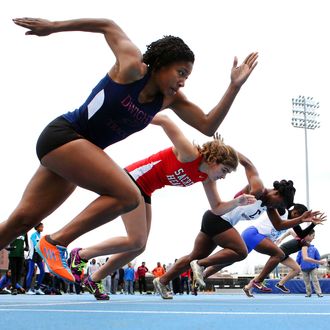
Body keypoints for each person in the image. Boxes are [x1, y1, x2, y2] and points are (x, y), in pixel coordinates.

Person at [0, 17, 258, 283]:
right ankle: (56, 242)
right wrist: (54, 27)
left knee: (21, 220)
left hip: (76, 154)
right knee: (128, 194)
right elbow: (108, 26)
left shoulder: (170, 99)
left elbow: (207, 125)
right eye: (181, 73)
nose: (183, 82)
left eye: (187, 77)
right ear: (161, 63)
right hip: (64, 135)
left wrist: (234, 87)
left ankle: (53, 242)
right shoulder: (132, 67)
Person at [68, 114, 256, 300]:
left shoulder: (205, 177)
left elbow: (217, 208)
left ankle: (94, 279)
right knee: (136, 240)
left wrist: (237, 202)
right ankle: (82, 254)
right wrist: (124, 118)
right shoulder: (189, 153)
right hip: (131, 180)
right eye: (224, 171)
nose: (224, 177)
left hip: (146, 189)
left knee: (138, 246)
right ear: (214, 161)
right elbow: (164, 120)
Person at [153, 153, 325, 299]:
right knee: (241, 251)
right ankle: (202, 264)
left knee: (193, 256)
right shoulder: (258, 188)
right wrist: (225, 151)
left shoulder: (268, 205)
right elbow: (247, 163)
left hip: (215, 220)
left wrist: (301, 219)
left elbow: (280, 225)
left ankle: (162, 281)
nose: (277, 208)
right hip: (218, 218)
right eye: (279, 203)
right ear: (276, 193)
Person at [242, 206, 325, 296]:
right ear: (295, 213)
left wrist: (313, 224)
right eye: (312, 236)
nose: (313, 238)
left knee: (296, 268)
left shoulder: (294, 226)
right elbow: (276, 204)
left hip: (271, 246)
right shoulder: (283, 212)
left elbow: (298, 233)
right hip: (255, 234)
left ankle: (248, 287)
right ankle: (265, 282)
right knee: (278, 255)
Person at [296, 230, 327, 297]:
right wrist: (297, 267)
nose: (313, 237)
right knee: (306, 282)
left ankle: (319, 293)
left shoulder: (314, 249)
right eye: (313, 236)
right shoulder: (301, 249)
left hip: (313, 268)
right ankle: (308, 293)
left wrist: (317, 266)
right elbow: (298, 259)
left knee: (315, 280)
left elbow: (318, 258)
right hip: (304, 268)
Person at [25, 223, 45, 295]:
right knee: (31, 272)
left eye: (43, 226)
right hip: (32, 255)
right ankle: (28, 289)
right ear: (37, 227)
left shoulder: (41, 236)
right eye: (41, 226)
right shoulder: (33, 235)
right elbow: (36, 245)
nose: (43, 227)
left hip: (39, 255)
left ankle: (37, 288)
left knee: (42, 271)